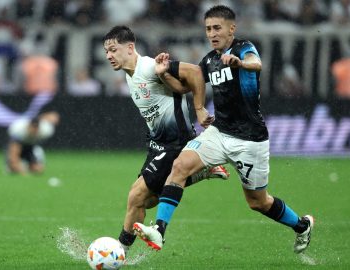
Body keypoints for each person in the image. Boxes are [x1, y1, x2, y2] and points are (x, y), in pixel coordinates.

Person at [133, 5, 314, 254]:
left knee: (258, 202)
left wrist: (240, 62)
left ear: (232, 28)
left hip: (250, 141)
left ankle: (301, 226)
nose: (212, 33)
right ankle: (160, 231)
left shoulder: (243, 49)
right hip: (219, 132)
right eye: (208, 28)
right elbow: (183, 87)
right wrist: (164, 75)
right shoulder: (210, 60)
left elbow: (256, 63)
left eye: (217, 28)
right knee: (180, 166)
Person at [102, 26, 229, 254]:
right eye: (106, 52)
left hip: (174, 143)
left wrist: (199, 109)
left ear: (130, 47)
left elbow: (196, 73)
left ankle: (118, 253)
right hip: (158, 143)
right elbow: (178, 89)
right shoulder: (130, 74)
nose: (109, 55)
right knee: (147, 201)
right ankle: (198, 172)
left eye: (113, 49)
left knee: (135, 196)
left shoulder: (150, 66)